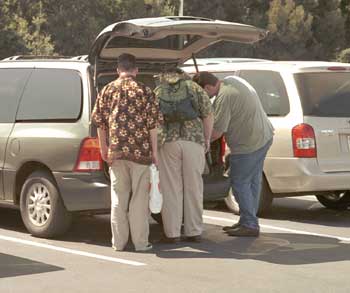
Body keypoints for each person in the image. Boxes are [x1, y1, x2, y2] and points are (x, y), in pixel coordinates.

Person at [91, 53, 162, 251]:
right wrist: (155, 152)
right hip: (141, 153)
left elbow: (99, 123)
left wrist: (104, 149)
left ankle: (118, 243)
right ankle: (141, 243)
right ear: (136, 70)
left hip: (116, 152)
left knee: (118, 198)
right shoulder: (145, 91)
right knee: (139, 200)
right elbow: (153, 126)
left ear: (117, 70)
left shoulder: (107, 90)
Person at [192, 72, 274, 237]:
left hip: (247, 144)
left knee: (239, 182)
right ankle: (248, 220)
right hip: (264, 136)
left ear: (208, 87)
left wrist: (198, 139)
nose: (204, 97)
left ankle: (250, 224)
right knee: (253, 181)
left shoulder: (224, 98)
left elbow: (216, 132)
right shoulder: (233, 80)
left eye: (203, 93)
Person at [154, 68, 214, 243]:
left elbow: (153, 120)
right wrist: (207, 139)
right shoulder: (194, 88)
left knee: (171, 188)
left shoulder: (158, 91)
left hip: (168, 142)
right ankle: (194, 231)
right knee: (194, 187)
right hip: (193, 140)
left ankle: (172, 234)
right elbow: (208, 115)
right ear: (183, 74)